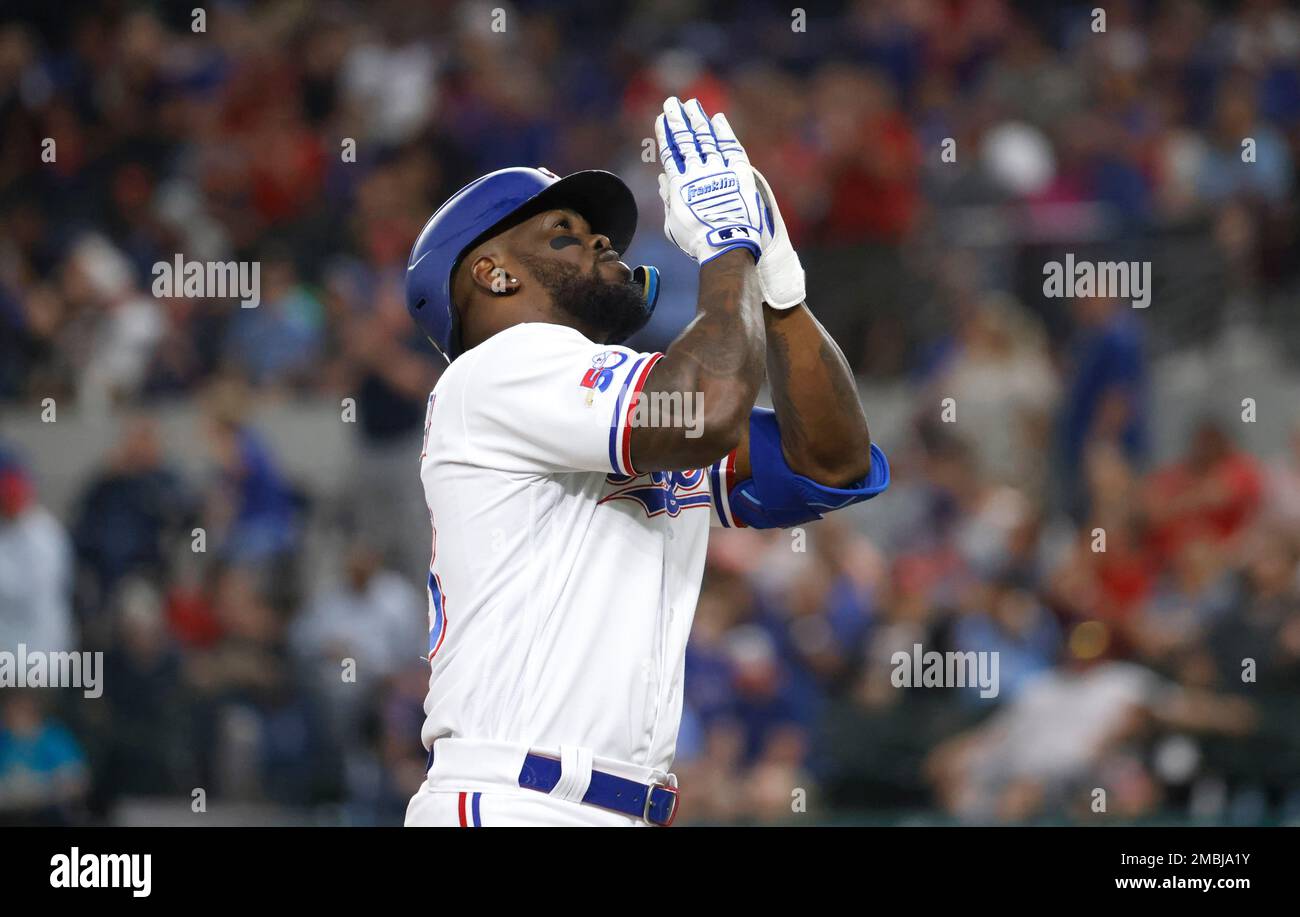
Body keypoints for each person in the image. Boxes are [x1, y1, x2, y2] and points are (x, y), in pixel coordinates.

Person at [401, 98, 890, 827]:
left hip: (601, 804)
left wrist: (780, 287)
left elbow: (831, 461)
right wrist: (726, 248)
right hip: (515, 800)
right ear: (494, 274)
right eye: (564, 233)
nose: (600, 240)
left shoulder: (608, 394)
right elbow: (703, 410)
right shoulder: (500, 371)